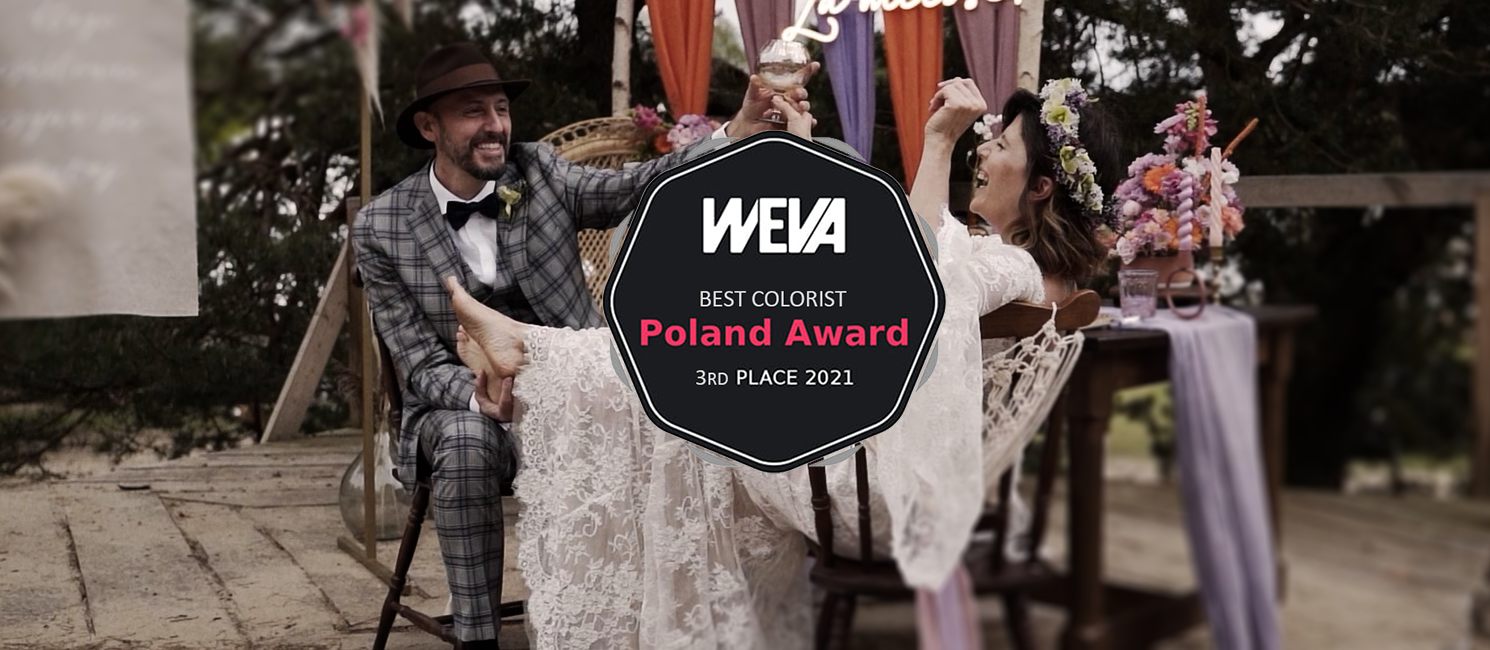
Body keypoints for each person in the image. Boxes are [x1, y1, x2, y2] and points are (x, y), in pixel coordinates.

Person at [445, 76, 1123, 648]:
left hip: (879, 490)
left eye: (1001, 144)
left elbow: (914, 277)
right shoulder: (1012, 263)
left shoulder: (1013, 268)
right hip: (885, 471)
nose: (984, 148)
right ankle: (531, 355)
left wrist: (940, 140)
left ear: (1040, 186)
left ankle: (530, 355)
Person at [352, 41, 817, 648]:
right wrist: (487, 398)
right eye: (473, 112)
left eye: (501, 108)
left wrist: (737, 130)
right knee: (465, 443)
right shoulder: (382, 226)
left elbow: (636, 185)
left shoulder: (538, 170)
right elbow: (416, 363)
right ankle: (477, 636)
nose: (495, 125)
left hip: (579, 391)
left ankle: (666, 615)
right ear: (428, 127)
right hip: (469, 405)